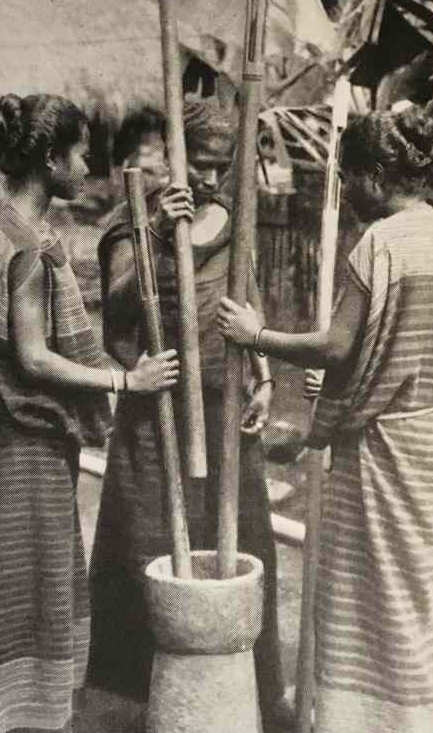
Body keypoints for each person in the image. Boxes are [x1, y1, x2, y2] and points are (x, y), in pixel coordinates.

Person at [217, 107, 433, 733]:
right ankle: (425, 717)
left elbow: (338, 348)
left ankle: (365, 720)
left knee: (367, 590)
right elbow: (408, 351)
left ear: (377, 174)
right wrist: (346, 375)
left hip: (384, 450)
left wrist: (258, 334)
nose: (347, 191)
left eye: (349, 177)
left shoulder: (381, 244)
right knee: (423, 591)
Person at [0, 92, 180, 733]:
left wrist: (155, 230)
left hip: (20, 437)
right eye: (82, 153)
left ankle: (20, 717)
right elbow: (33, 359)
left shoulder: (13, 227)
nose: (88, 166)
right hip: (25, 442)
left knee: (28, 586)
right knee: (31, 588)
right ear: (51, 158)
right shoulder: (28, 246)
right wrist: (125, 380)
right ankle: (24, 719)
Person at [87, 96, 294, 731]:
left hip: (225, 401)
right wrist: (157, 233)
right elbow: (118, 300)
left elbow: (245, 289)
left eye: (219, 164)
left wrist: (262, 377)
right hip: (161, 407)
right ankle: (134, 700)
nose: (207, 177)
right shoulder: (136, 217)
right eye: (197, 163)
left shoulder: (231, 214)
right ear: (173, 158)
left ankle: (253, 697)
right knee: (147, 545)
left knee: (244, 544)